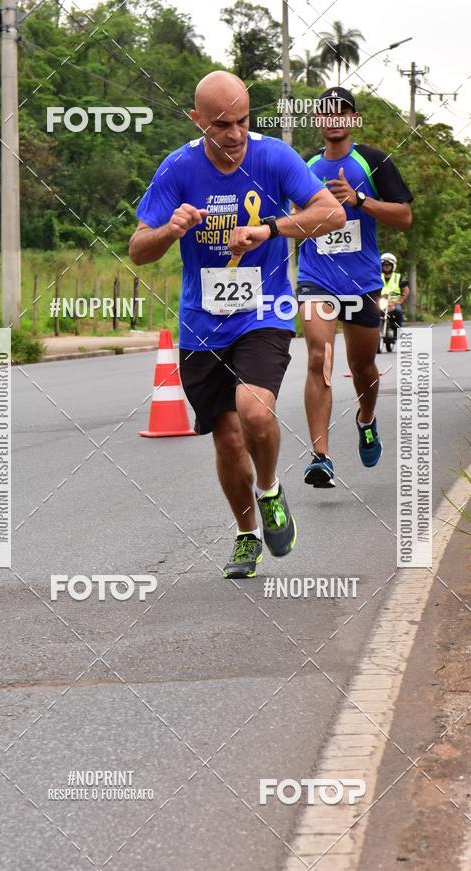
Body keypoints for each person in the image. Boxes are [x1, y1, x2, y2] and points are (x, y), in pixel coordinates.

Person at [129, 71, 344, 578]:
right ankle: (247, 533)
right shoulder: (177, 168)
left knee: (254, 409)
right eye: (222, 124)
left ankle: (269, 490)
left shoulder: (273, 157)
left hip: (263, 310)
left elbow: (331, 213)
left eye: (242, 121)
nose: (234, 134)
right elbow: (139, 249)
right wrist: (170, 230)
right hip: (202, 322)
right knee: (226, 440)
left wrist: (269, 228)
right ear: (197, 119)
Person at [296, 86, 413, 488]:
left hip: (361, 281)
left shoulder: (374, 161)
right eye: (326, 113)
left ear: (353, 119)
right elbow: (291, 218)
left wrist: (359, 200)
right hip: (316, 279)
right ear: (318, 121)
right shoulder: (305, 165)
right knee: (318, 356)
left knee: (361, 366)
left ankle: (366, 419)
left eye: (341, 113)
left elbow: (404, 216)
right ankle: (321, 455)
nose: (334, 119)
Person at [380, 252, 409, 329]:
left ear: (393, 266)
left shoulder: (398, 277)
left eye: (388, 265)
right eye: (384, 265)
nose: (386, 267)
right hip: (380, 302)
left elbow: (405, 290)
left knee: (398, 311)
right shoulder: (377, 277)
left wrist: (399, 301)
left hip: (394, 303)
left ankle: (398, 331)